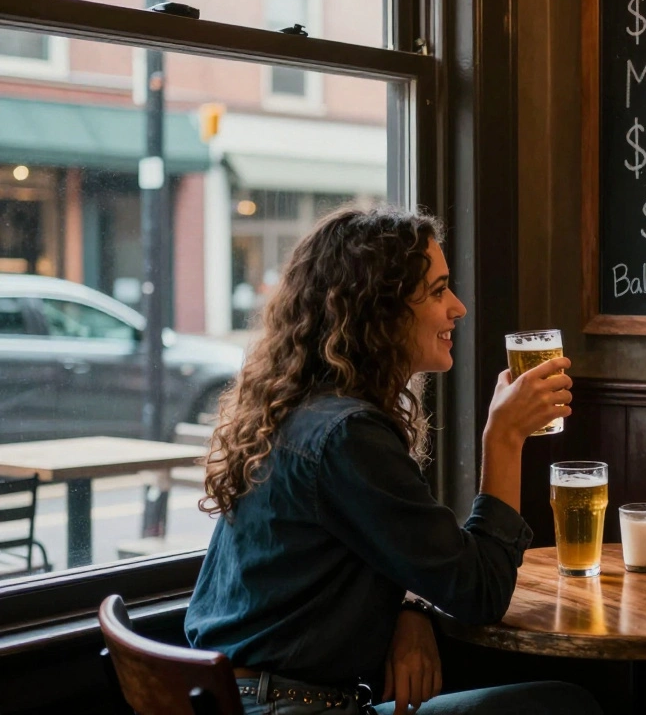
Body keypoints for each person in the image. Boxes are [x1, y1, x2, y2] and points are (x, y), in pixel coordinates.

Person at [185, 207, 601, 715]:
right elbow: (480, 593)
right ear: (379, 312)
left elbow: (392, 551)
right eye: (437, 291)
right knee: (563, 706)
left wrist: (410, 606)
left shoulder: (297, 410)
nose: (458, 307)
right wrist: (505, 437)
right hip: (292, 707)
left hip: (247, 697)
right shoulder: (348, 435)